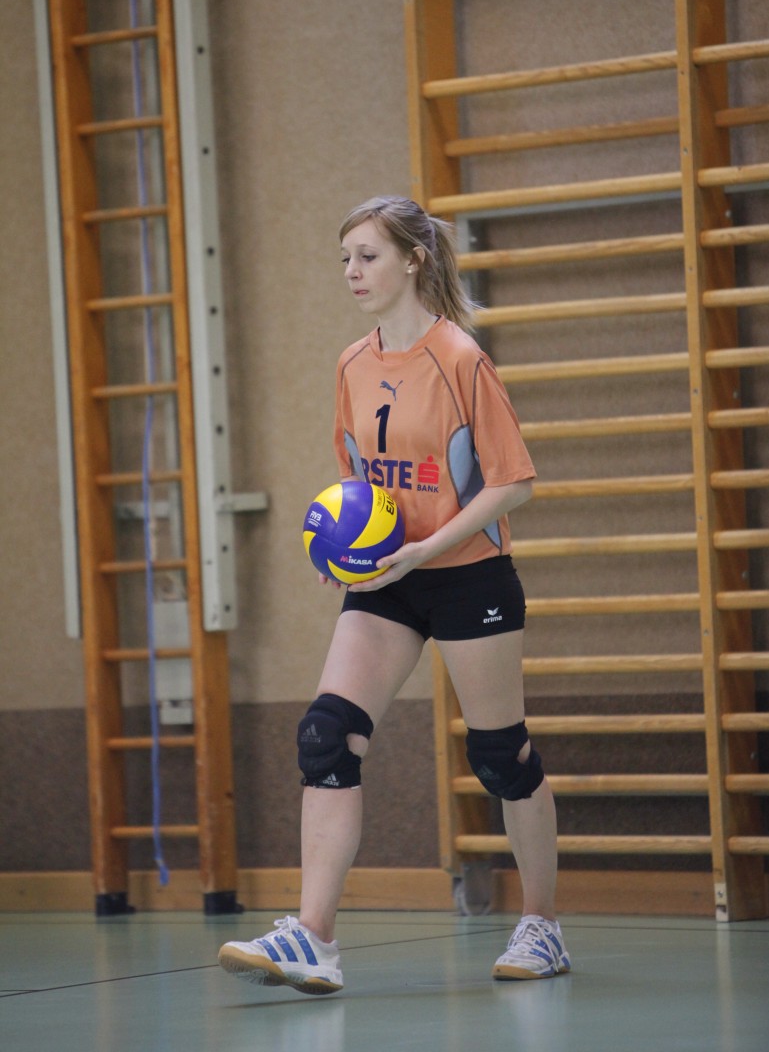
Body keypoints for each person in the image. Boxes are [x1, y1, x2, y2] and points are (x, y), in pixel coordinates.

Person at [218, 195, 570, 995]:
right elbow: (357, 481)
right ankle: (313, 937)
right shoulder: (352, 363)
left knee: (501, 758)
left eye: (368, 256)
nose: (352, 271)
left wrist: (425, 549)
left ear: (413, 260)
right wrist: (342, 547)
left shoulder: (459, 358)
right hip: (387, 583)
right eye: (344, 258)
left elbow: (513, 483)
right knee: (325, 736)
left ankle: (542, 926)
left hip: (469, 577)